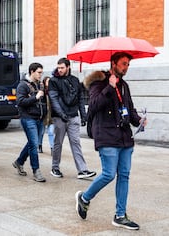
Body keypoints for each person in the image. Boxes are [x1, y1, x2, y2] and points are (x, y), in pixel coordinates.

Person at [75, 52, 146, 230]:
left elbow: (129, 108)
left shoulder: (124, 86)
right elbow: (93, 106)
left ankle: (120, 215)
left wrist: (138, 120)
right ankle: (84, 198)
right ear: (113, 63)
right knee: (108, 174)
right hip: (106, 136)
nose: (126, 67)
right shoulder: (98, 83)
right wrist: (109, 88)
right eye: (123, 64)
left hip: (124, 137)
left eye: (128, 65)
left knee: (124, 176)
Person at [48, 57, 96, 179]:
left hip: (73, 116)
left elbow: (80, 99)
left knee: (76, 142)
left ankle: (82, 170)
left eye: (62, 67)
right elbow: (53, 99)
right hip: (60, 118)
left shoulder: (75, 80)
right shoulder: (53, 81)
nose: (60, 70)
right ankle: (55, 168)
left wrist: (84, 115)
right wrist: (61, 114)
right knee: (58, 143)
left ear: (68, 67)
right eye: (58, 67)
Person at [12, 63, 47, 182]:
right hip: (28, 118)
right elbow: (20, 101)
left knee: (32, 143)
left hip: (40, 118)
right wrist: (35, 97)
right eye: (39, 72)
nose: (41, 75)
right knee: (34, 145)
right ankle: (36, 170)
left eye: (41, 72)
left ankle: (19, 162)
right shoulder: (23, 85)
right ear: (32, 72)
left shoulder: (40, 84)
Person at [42, 76, 55, 154]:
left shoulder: (54, 92)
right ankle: (39, 145)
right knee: (41, 133)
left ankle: (52, 148)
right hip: (43, 116)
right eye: (47, 81)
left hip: (52, 116)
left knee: (50, 132)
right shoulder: (42, 92)